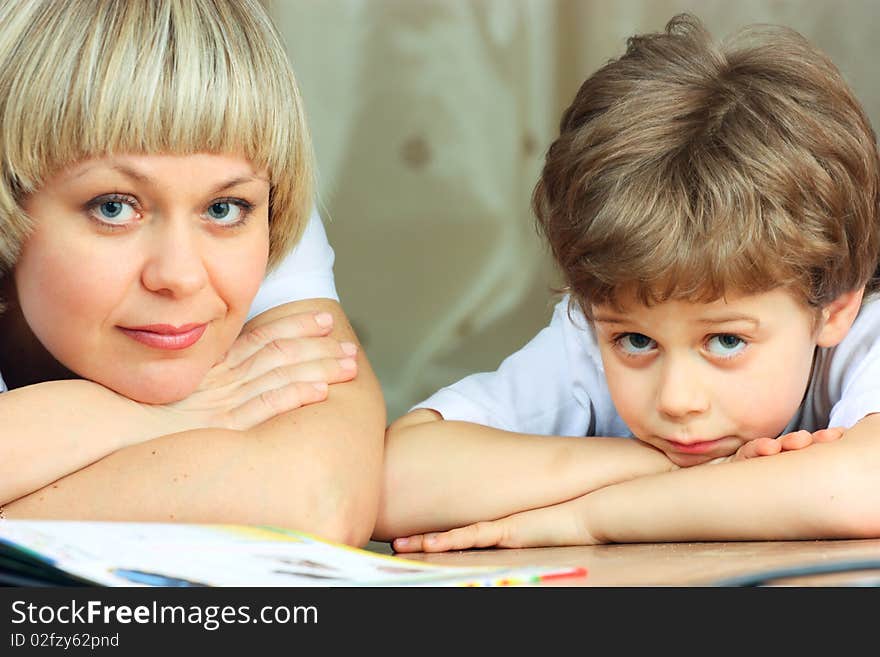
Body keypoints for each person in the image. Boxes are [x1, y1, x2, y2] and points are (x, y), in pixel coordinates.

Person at [375, 13, 880, 551]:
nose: (676, 400)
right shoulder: (592, 334)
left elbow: (863, 488)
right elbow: (391, 486)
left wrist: (592, 519)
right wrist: (655, 465)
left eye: (726, 341)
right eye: (637, 342)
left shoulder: (864, 336)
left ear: (834, 307)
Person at [0, 0, 385, 547]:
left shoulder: (260, 203)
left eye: (223, 209)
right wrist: (131, 418)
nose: (180, 277)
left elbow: (311, 501)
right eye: (113, 206)